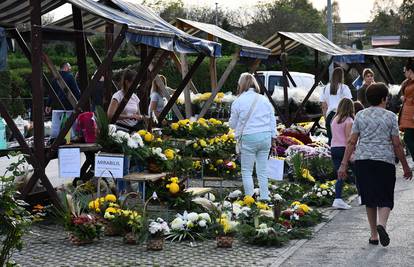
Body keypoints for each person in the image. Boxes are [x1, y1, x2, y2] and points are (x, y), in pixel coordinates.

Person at [338, 83, 412, 247]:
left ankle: (373, 235)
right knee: (385, 196)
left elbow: (351, 141)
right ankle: (382, 225)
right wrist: (406, 166)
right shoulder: (390, 116)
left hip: (363, 162)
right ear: (384, 98)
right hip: (384, 161)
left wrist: (343, 164)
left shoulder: (360, 115)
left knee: (369, 197)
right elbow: (397, 144)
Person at [229, 73, 276, 201]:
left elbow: (232, 125)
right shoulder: (264, 99)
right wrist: (273, 137)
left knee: (247, 171)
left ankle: (250, 200)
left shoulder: (238, 101)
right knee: (262, 171)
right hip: (265, 137)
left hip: (248, 138)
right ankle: (265, 199)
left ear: (241, 85)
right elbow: (272, 120)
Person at [330, 98, 354, 209]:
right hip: (344, 148)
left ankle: (338, 198)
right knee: (357, 171)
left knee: (340, 174)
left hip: (334, 148)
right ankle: (361, 195)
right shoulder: (349, 120)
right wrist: (353, 152)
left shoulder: (334, 119)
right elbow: (349, 138)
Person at [320, 67, 352, 145]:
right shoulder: (344, 88)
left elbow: (324, 105)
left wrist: (325, 117)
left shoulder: (325, 88)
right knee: (342, 140)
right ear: (342, 76)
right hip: (342, 116)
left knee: (331, 140)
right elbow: (349, 103)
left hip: (329, 116)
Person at [399, 60, 414, 162]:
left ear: (410, 70)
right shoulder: (407, 82)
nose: (404, 73)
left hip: (412, 114)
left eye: (405, 71)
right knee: (408, 138)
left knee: (408, 138)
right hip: (407, 113)